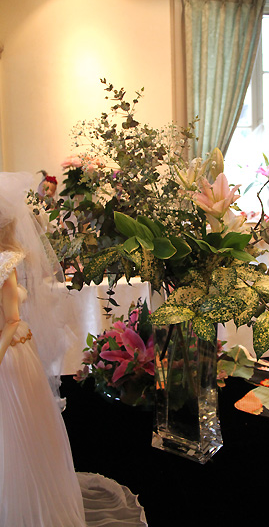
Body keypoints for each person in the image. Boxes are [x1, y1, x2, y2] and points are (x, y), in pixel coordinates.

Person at [0, 172, 147, 526]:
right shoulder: (6, 262)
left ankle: (22, 504)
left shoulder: (7, 262)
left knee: (17, 435)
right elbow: (12, 319)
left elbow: (12, 318)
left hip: (11, 352)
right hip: (11, 354)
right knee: (19, 434)